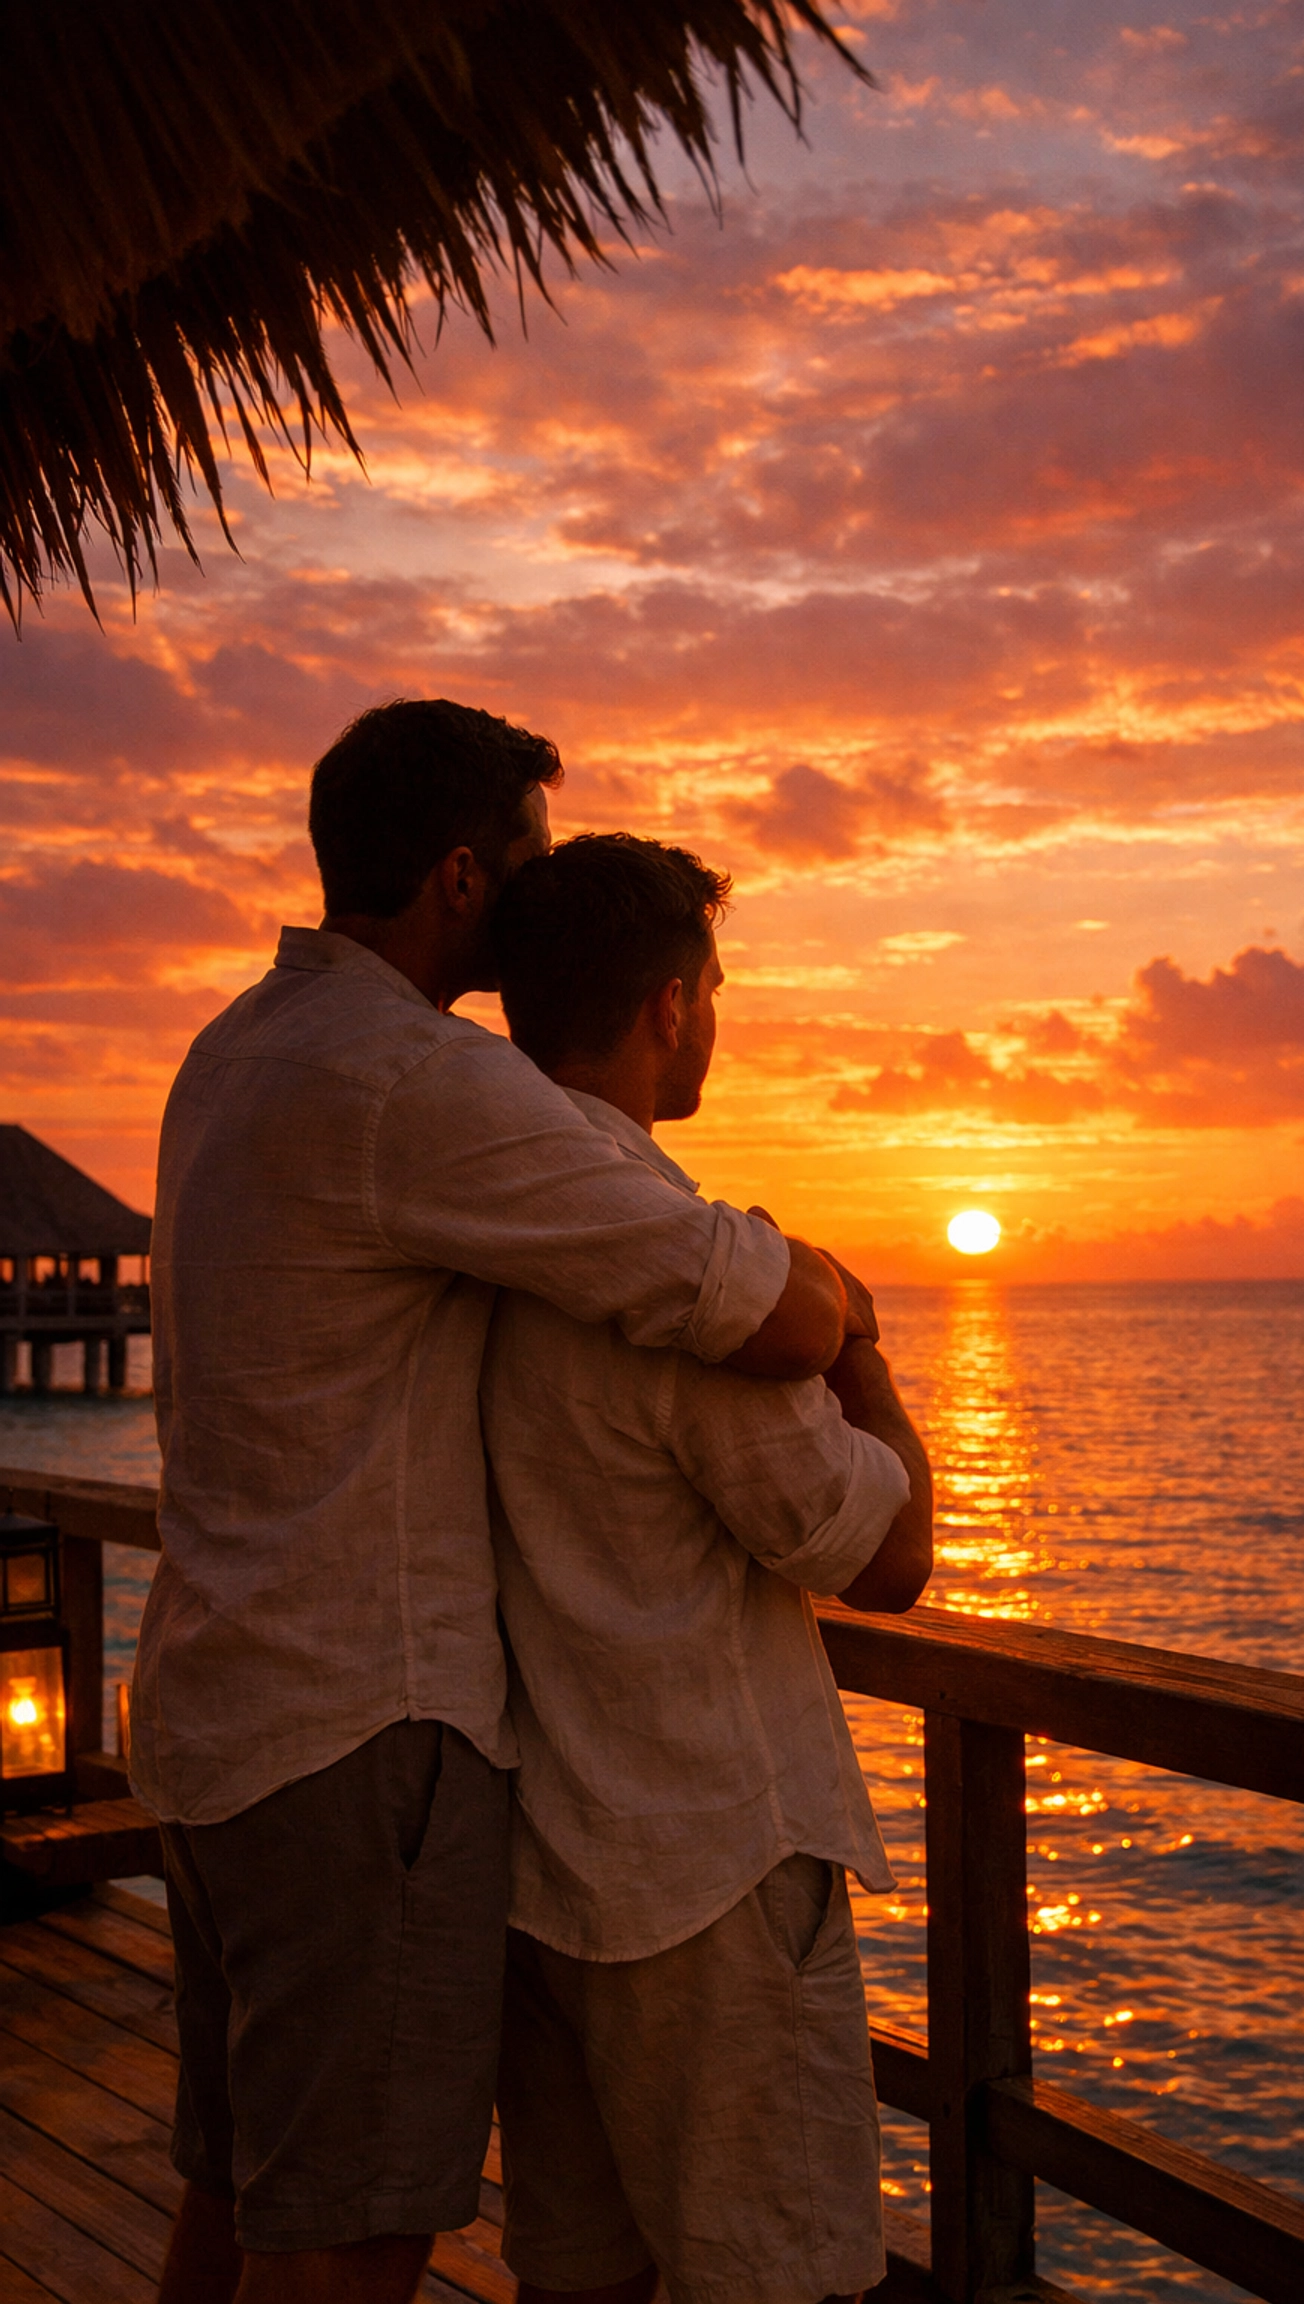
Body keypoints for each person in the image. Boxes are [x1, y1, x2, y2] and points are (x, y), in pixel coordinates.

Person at [132, 701, 856, 2304]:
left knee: (243, 2190)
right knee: (353, 2229)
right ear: (462, 876)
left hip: (207, 1708)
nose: (539, 900)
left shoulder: (230, 1048)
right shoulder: (411, 1076)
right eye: (527, 861)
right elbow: (734, 1297)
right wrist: (838, 1298)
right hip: (353, 1734)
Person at [484, 832, 934, 2304]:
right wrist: (860, 1344)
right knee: (783, 2277)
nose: (720, 1017)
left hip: (537, 1867)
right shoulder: (685, 1277)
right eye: (718, 989)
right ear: (670, 1006)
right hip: (709, 1872)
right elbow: (890, 1560)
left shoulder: (468, 1238)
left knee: (580, 2282)